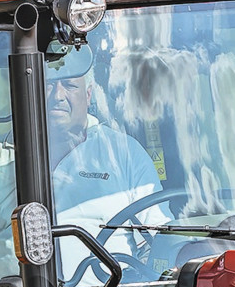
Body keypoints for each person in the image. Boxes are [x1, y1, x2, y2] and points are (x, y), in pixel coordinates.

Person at [47, 67, 157, 215]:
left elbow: (156, 229)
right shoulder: (8, 155)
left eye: (69, 85)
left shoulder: (123, 151)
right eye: (49, 84)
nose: (57, 96)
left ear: (88, 94)